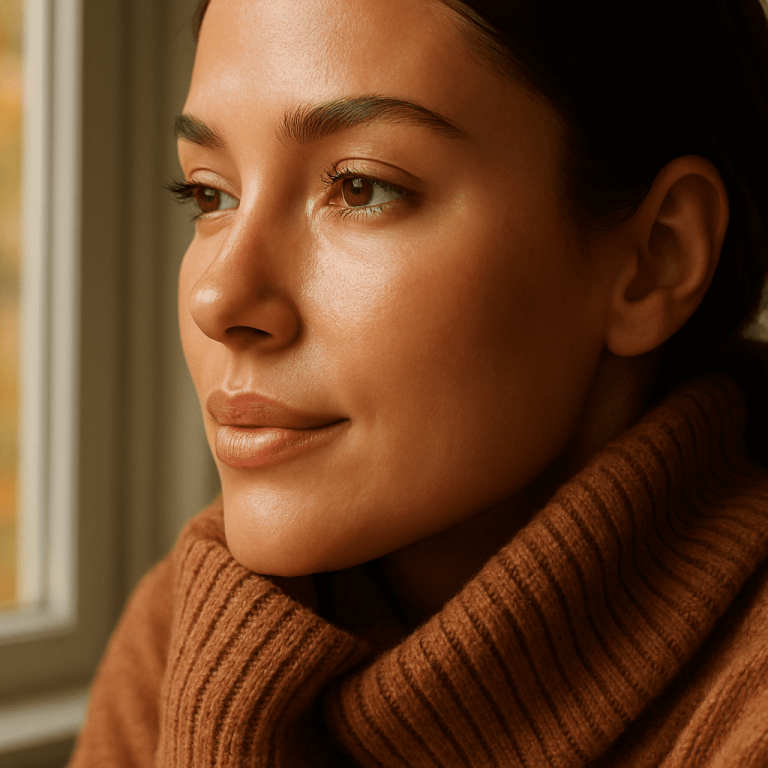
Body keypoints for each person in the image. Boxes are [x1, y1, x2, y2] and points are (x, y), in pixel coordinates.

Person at [70, 0, 768, 765]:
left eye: (362, 187)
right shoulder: (190, 632)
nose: (219, 300)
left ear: (656, 258)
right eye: (210, 194)